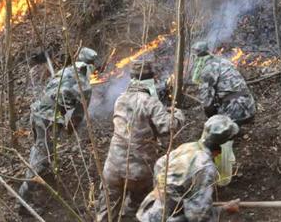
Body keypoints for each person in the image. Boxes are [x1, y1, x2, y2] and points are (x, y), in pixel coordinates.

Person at [97, 60, 184, 221]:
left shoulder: (120, 99)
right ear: (151, 77)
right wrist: (177, 113)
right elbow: (167, 127)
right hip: (138, 170)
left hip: (113, 167)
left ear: (132, 78)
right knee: (138, 207)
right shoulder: (150, 101)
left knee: (107, 210)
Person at [18, 47, 97, 209]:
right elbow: (78, 116)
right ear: (90, 66)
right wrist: (70, 129)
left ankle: (45, 175)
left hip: (37, 113)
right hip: (48, 120)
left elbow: (50, 90)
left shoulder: (63, 71)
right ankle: (24, 200)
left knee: (42, 148)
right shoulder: (85, 85)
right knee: (41, 157)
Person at [136, 115, 241, 222]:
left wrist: (171, 192)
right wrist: (223, 209)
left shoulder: (187, 147)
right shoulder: (205, 167)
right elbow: (198, 216)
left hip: (149, 211)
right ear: (220, 147)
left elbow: (159, 165)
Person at [191, 41, 255, 185]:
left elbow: (207, 103)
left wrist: (212, 118)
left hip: (234, 108)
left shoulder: (206, 70)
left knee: (218, 138)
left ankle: (222, 178)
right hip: (248, 104)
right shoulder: (223, 61)